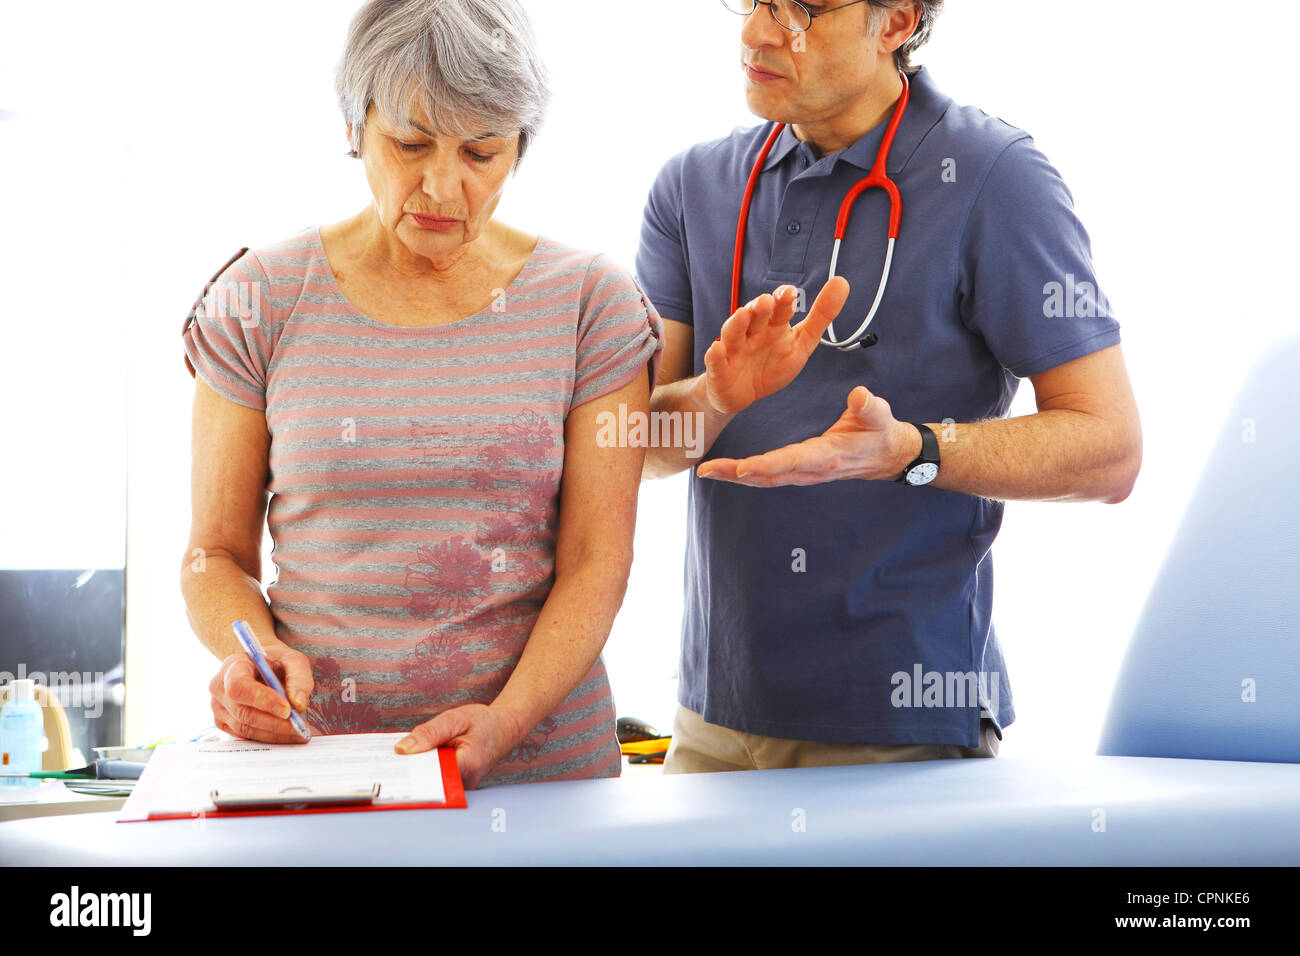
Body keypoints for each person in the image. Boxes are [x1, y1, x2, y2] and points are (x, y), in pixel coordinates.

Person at [637, 0, 1141, 772]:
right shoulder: (691, 187)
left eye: (801, 9)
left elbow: (1109, 449)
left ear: (897, 21)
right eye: (751, 1)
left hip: (900, 725)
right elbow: (639, 450)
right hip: (713, 719)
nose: (756, 34)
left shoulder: (995, 176)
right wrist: (713, 397)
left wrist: (911, 449)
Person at [180, 0, 663, 790]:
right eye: (410, 144)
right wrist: (249, 655)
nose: (443, 186)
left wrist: (503, 725)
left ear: (520, 147)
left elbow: (595, 560)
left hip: (542, 780)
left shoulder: (591, 303)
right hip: (323, 774)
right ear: (353, 127)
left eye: (481, 152)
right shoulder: (258, 297)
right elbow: (214, 556)